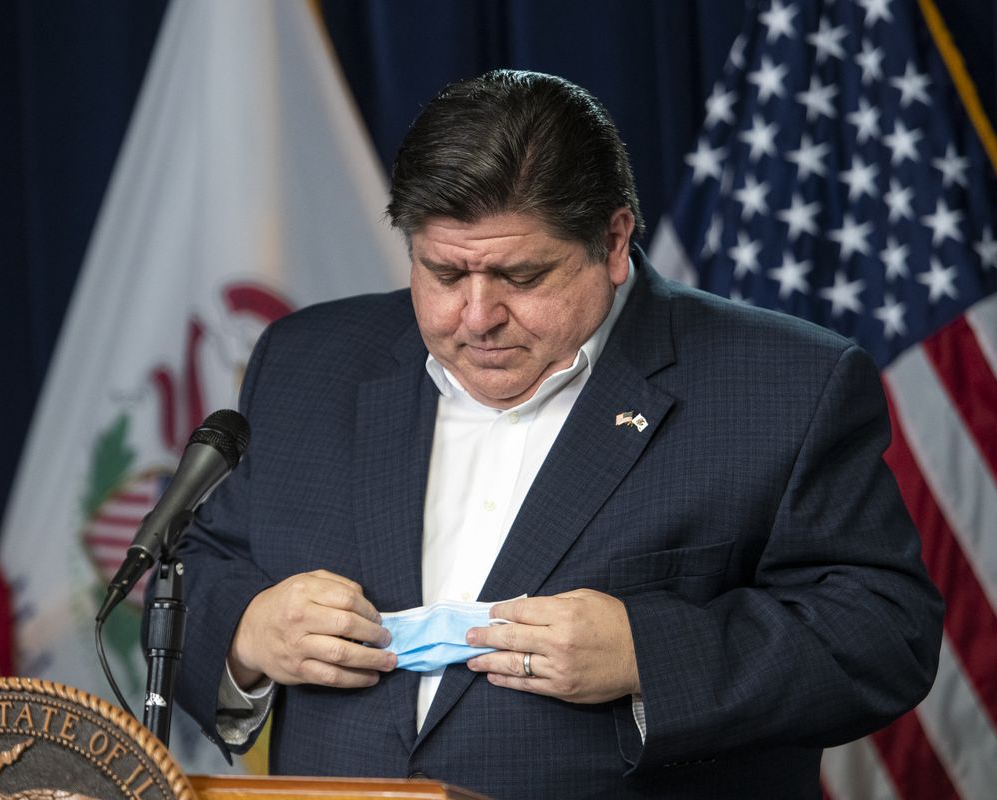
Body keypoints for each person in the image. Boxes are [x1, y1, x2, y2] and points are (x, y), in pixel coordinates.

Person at [173, 70, 943, 799]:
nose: (476, 317)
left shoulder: (786, 383)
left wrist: (648, 653)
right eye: (443, 275)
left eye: (521, 277)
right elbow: (201, 570)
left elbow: (884, 632)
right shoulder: (307, 362)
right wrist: (247, 635)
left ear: (612, 242)